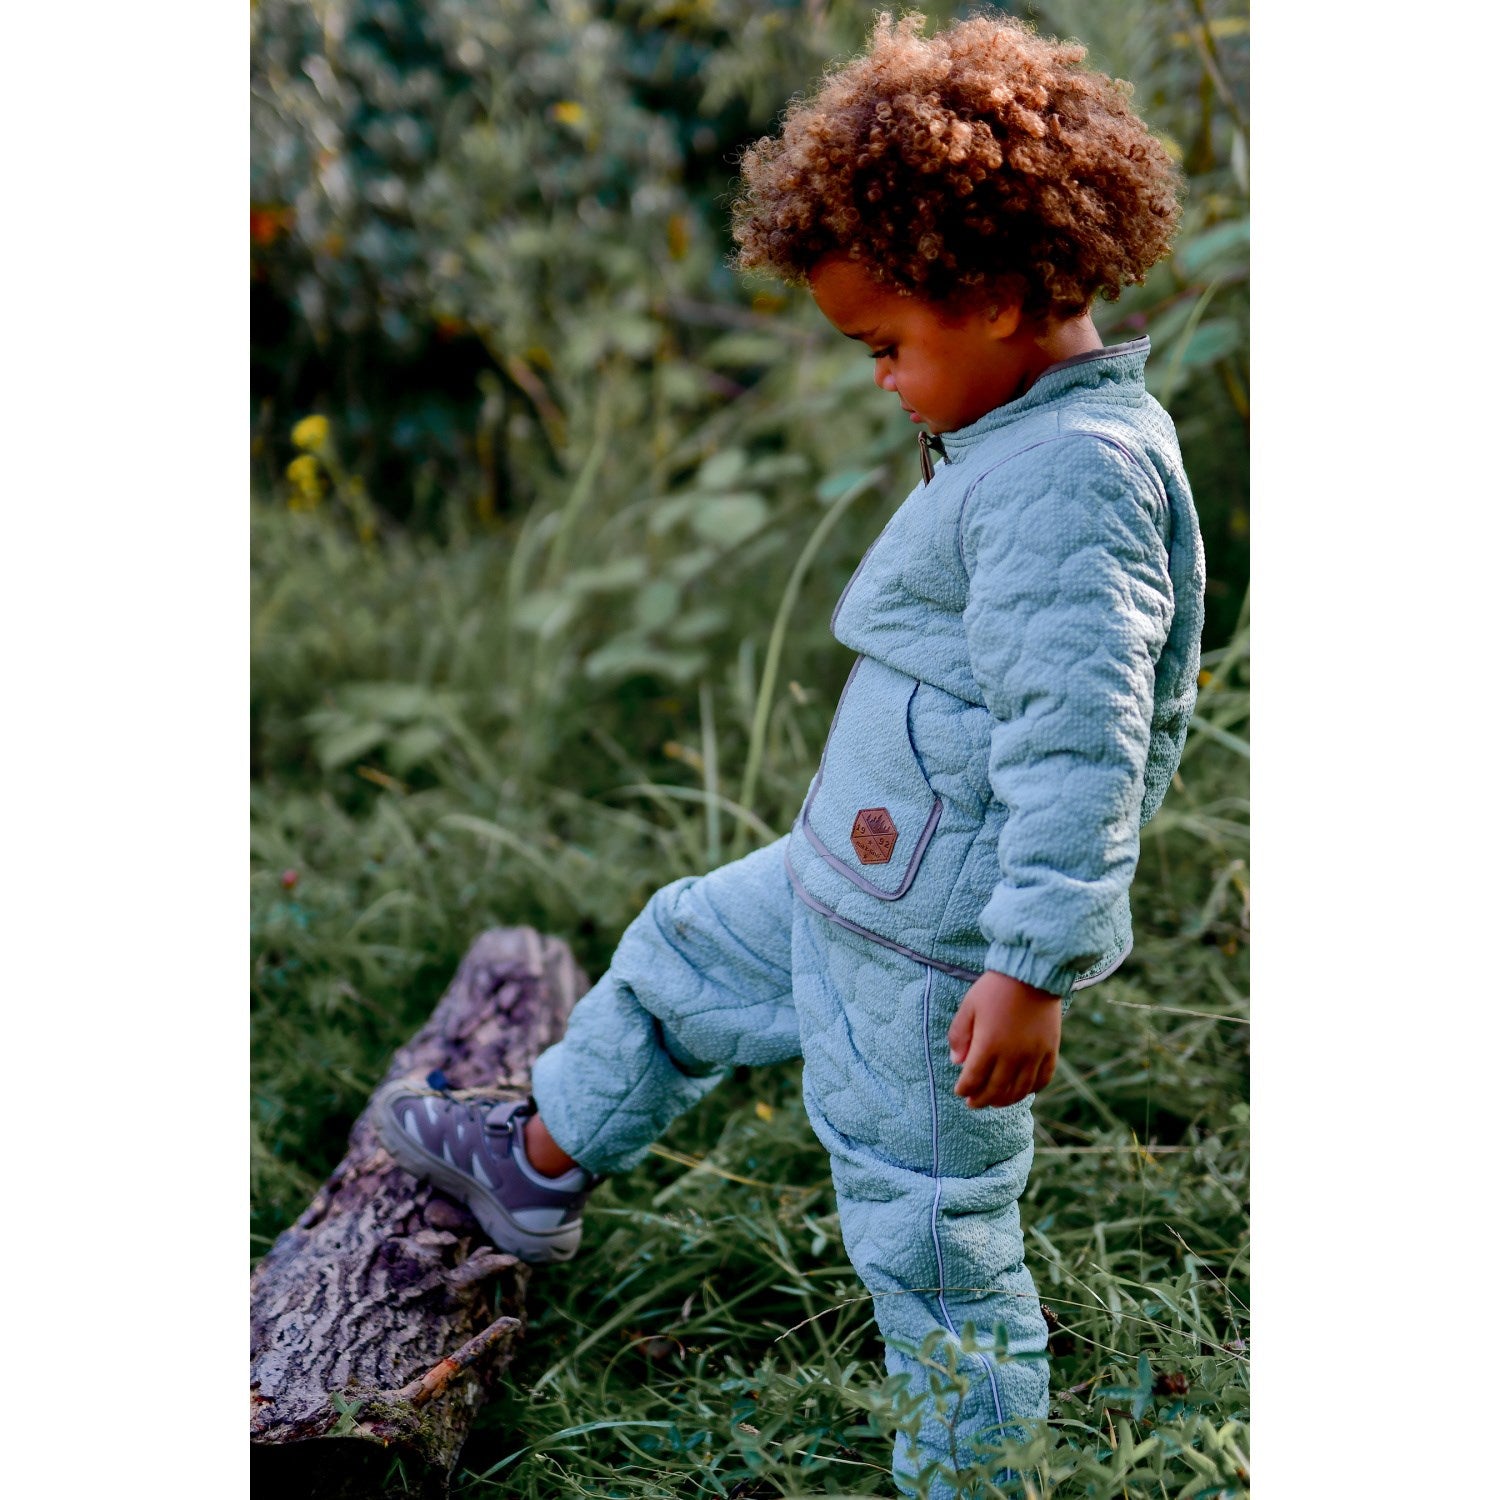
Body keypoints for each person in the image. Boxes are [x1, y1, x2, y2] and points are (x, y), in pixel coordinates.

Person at [375, 12, 1205, 1495]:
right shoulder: (1026, 437)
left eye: (887, 346)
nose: (881, 378)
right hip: (855, 876)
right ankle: (539, 1167)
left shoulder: (1069, 483)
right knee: (677, 953)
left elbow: (1081, 738)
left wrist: (1031, 965)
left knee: (928, 1223)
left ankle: (972, 1473)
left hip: (936, 946)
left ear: (995, 297)